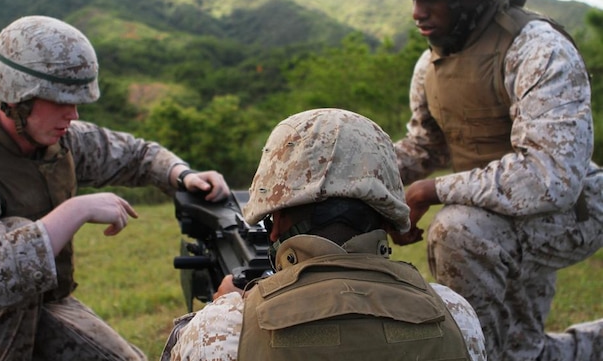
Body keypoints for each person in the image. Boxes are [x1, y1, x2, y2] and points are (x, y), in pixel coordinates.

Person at [0, 15, 230, 361]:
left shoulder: (57, 140)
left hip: (38, 299)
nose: (73, 114)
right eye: (60, 101)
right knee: (12, 243)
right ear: (16, 99)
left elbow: (136, 155)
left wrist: (181, 174)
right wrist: (78, 209)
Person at [386, 0, 603, 361]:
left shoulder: (539, 50)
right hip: (497, 216)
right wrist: (357, 178)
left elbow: (551, 177)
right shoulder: (431, 66)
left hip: (572, 211)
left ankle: (471, 354)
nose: (416, 11)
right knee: (522, 350)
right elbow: (424, 147)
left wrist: (432, 190)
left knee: (457, 232)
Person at [161, 108, 487, 361]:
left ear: (275, 222)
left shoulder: (220, 329)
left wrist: (226, 310)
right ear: (388, 220)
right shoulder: (455, 313)